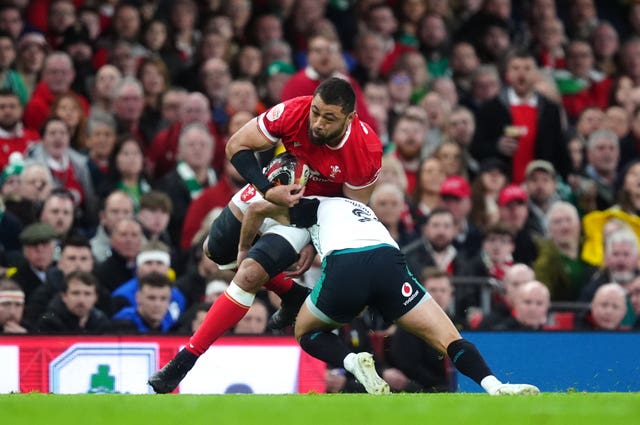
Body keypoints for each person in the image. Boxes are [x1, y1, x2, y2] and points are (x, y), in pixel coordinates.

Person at [148, 77, 383, 393]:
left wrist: (314, 241)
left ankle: (183, 362)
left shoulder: (365, 151)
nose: (317, 122)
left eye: (329, 118)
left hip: (310, 210)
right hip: (274, 184)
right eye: (316, 111)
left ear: (349, 119)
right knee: (215, 251)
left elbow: (348, 211)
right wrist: (268, 189)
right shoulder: (293, 111)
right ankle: (291, 293)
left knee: (248, 274)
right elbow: (236, 146)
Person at [228, 195, 539, 396]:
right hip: (390, 263)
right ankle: (495, 386)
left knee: (305, 331)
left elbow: (256, 209)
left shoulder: (310, 201)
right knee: (448, 338)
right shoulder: (360, 206)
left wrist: (244, 251)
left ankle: (352, 362)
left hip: (347, 266)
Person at [35, 270, 110, 334]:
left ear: (96, 298)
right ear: (64, 296)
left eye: (87, 294)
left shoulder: (101, 322)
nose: (81, 300)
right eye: (75, 293)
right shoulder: (49, 323)